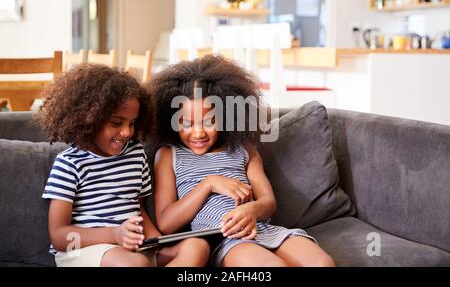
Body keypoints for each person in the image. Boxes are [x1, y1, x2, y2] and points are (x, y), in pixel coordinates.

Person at [147, 55, 336, 267]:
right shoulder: (168, 155)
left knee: (323, 264)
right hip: (226, 240)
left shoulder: (244, 150)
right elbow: (166, 223)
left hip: (263, 229)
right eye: (186, 124)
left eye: (209, 122)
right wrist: (209, 184)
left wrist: (251, 210)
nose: (198, 132)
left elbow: (268, 202)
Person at [37, 64, 210, 267]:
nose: (127, 132)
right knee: (135, 264)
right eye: (117, 123)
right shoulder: (70, 163)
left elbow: (136, 208)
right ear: (89, 119)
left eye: (132, 123)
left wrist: (156, 241)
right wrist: (115, 234)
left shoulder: (135, 153)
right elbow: (59, 235)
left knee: (197, 246)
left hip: (132, 248)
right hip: (85, 251)